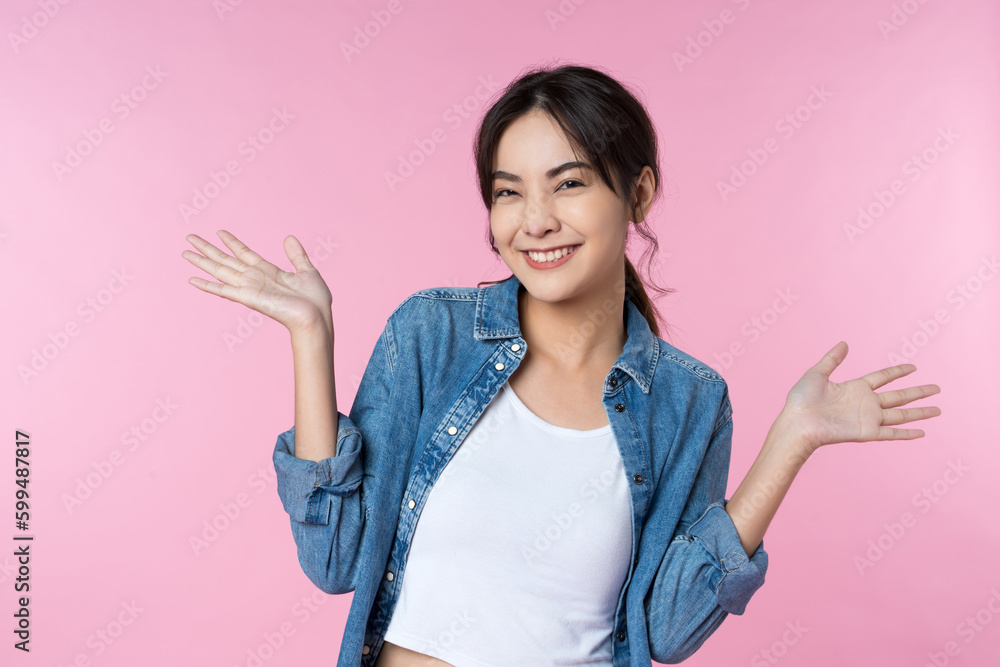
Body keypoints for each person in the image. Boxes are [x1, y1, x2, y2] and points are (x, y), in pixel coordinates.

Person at [181, 63, 941, 667]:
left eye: (568, 183)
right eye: (509, 193)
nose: (535, 219)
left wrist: (791, 440)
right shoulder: (431, 335)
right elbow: (334, 556)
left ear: (637, 191)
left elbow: (666, 629)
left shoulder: (687, 399)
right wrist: (311, 338)